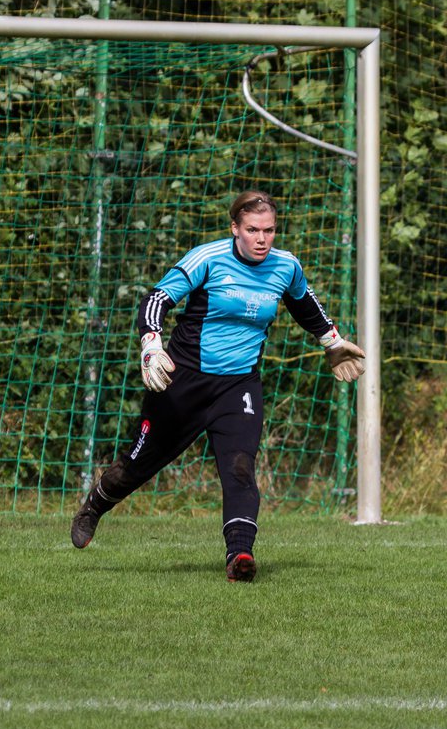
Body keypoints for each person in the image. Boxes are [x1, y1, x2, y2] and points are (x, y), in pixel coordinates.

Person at [69, 190, 365, 581]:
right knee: (137, 467)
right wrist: (150, 344)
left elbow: (303, 303)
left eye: (270, 230)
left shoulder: (285, 266)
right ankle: (95, 504)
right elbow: (156, 299)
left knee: (240, 467)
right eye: (252, 230)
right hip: (183, 383)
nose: (262, 239)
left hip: (239, 385)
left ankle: (239, 555)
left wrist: (331, 341)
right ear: (235, 229)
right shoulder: (208, 258)